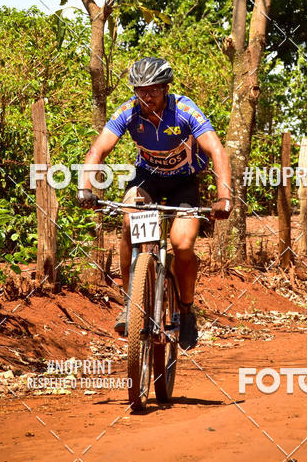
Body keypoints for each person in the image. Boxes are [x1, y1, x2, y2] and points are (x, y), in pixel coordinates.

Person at [76, 56, 232, 350]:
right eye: (140, 90)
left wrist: (224, 197)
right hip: (147, 179)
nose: (146, 96)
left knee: (183, 245)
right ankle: (130, 302)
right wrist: (85, 187)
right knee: (128, 221)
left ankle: (186, 311)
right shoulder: (129, 112)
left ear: (166, 88)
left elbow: (217, 151)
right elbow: (98, 149)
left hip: (184, 183)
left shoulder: (185, 110)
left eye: (153, 90)